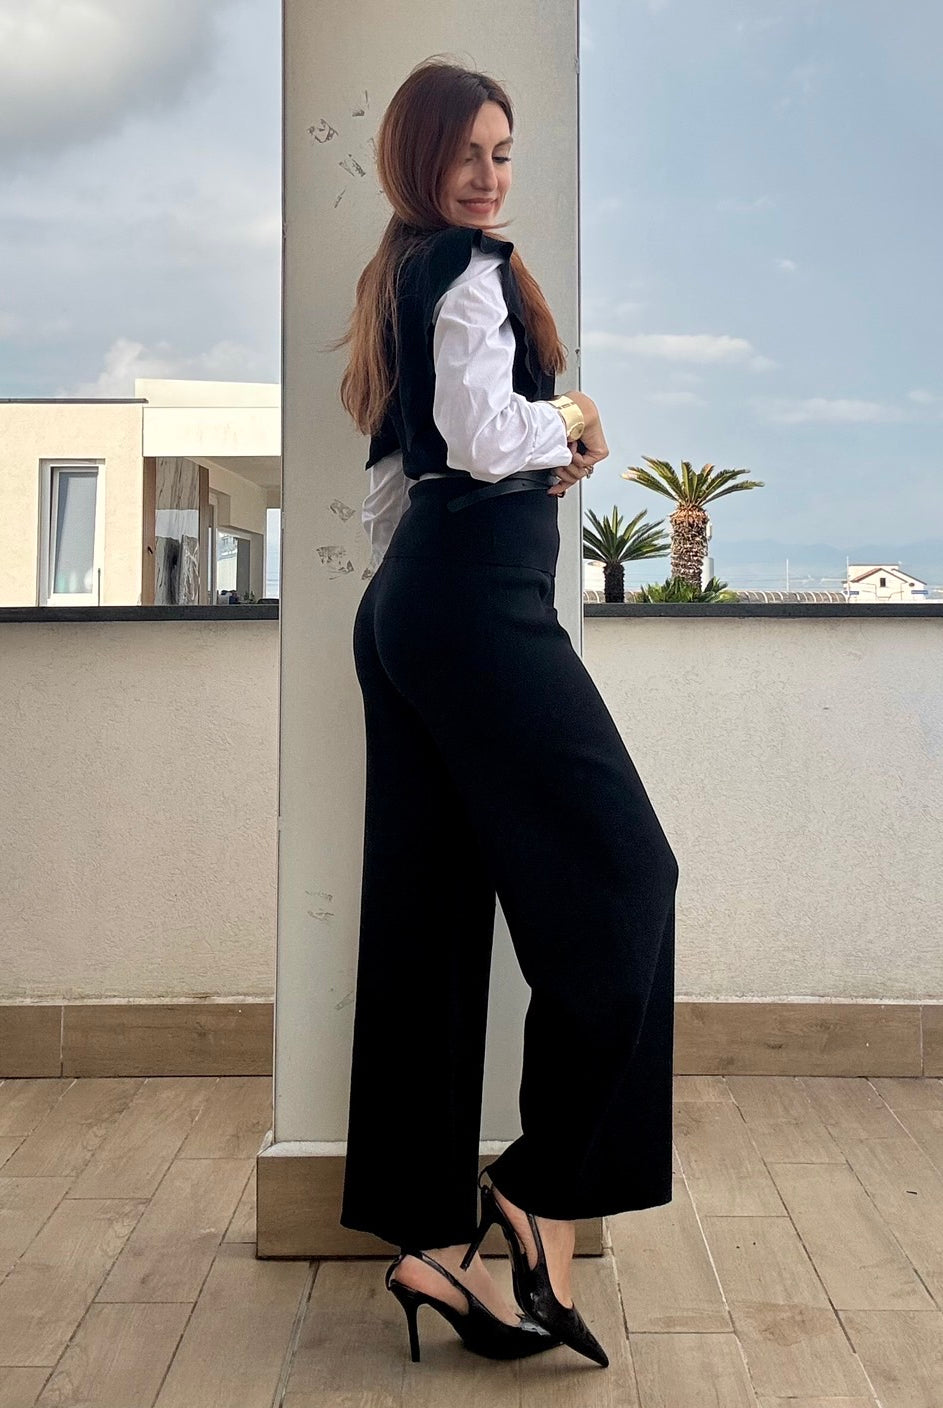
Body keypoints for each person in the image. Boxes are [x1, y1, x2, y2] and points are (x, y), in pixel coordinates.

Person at [333, 56, 679, 1369]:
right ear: (417, 158)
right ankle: (538, 1189)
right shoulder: (465, 268)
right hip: (470, 610)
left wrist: (522, 470)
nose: (490, 175)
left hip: (414, 608)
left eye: (503, 151)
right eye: (467, 152)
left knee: (425, 919)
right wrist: (568, 419)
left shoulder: (400, 274)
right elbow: (482, 439)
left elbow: (405, 475)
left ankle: (428, 1241)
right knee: (629, 878)